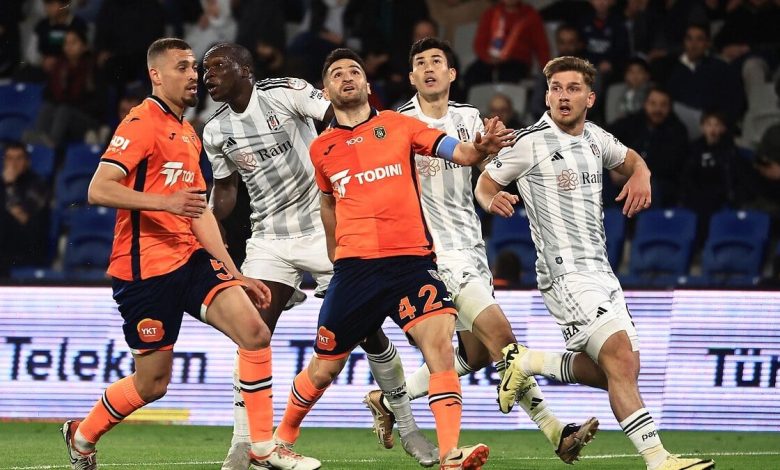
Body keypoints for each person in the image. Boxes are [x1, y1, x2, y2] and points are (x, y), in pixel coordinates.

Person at [59, 38, 321, 470]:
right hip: (144, 271)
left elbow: (199, 213)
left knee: (255, 333)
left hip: (190, 259)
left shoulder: (188, 133)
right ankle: (81, 435)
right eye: (182, 67)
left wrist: (235, 273)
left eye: (194, 67)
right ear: (156, 75)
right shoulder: (141, 122)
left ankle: (261, 448)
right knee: (152, 383)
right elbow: (98, 188)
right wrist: (165, 203)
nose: (194, 75)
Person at [273, 47, 515, 469]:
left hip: (410, 263)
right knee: (325, 368)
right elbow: (327, 203)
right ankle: (280, 439)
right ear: (326, 91)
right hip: (355, 270)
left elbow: (462, 153)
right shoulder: (322, 148)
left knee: (439, 348)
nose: (346, 77)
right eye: (336, 74)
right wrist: (335, 256)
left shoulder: (400, 125)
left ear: (367, 84)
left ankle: (450, 453)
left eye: (354, 70)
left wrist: (482, 148)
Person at [201, 42, 438, 469]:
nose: (208, 76)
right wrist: (209, 227)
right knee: (250, 331)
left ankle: (407, 426)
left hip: (325, 227)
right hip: (269, 238)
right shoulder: (215, 130)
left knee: (368, 334)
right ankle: (244, 441)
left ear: (244, 69)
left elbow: (336, 116)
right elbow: (226, 190)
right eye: (205, 69)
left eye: (217, 66)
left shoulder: (286, 92)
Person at [363, 37, 599, 465]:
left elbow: (486, 170)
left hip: (471, 248)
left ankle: (388, 398)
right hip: (432, 255)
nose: (429, 68)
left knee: (475, 353)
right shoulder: (397, 124)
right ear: (412, 77)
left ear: (452, 73)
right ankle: (556, 431)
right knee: (503, 340)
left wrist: (493, 186)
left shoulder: (469, 117)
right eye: (421, 63)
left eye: (437, 61)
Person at [474, 55, 715, 470]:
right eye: (555, 89)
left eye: (572, 89)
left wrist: (642, 174)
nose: (563, 96)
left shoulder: (595, 138)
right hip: (564, 274)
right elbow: (485, 181)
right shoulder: (530, 142)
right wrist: (490, 198)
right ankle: (659, 460)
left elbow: (631, 158)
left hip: (602, 271)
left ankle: (527, 361)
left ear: (590, 97)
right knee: (619, 357)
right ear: (546, 96)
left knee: (624, 370)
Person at [0, 143, 49, 276]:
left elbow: (22, 217)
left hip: (26, 245)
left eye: (18, 158)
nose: (13, 164)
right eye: (10, 158)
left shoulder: (37, 184)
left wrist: (9, 186)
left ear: (27, 162)